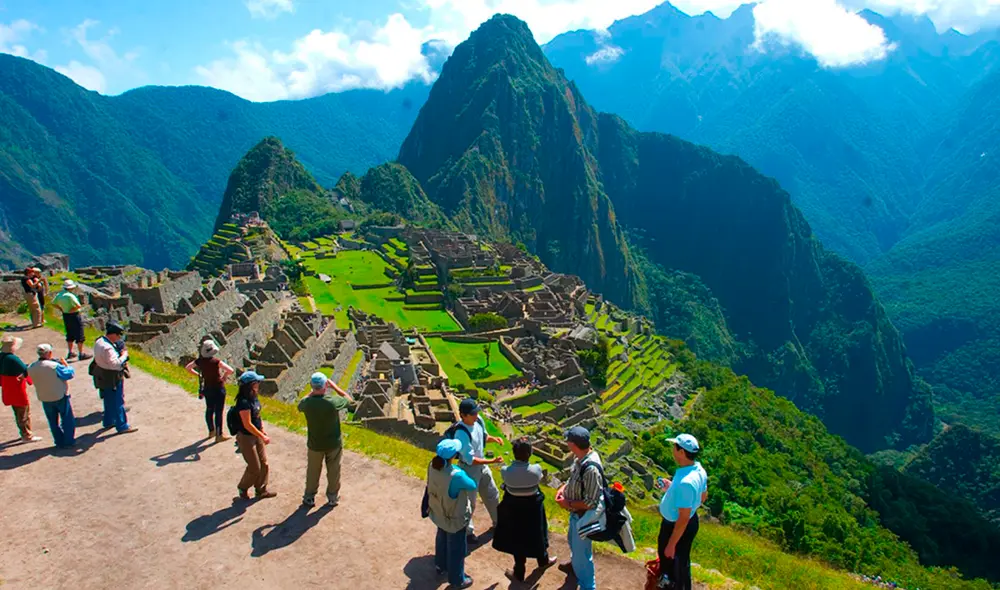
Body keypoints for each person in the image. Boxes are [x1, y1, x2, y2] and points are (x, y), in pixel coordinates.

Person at [493, 437, 558, 582]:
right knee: (538, 534)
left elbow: (507, 485)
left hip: (514, 510)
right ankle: (543, 561)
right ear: (530, 453)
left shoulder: (506, 471)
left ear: (514, 453)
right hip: (533, 509)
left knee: (518, 540)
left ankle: (519, 572)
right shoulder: (536, 470)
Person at [655, 433, 708, 590]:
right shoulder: (698, 470)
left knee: (671, 561)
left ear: (681, 452)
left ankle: (671, 585)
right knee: (682, 560)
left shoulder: (686, 482)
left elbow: (683, 518)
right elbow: (703, 497)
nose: (673, 450)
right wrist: (672, 488)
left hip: (676, 526)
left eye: (675, 447)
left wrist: (671, 544)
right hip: (690, 521)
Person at [427, 438, 478, 589]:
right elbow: (472, 485)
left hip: (438, 511)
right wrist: (461, 471)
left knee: (441, 537)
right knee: (456, 548)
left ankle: (440, 565)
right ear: (453, 456)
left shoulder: (432, 465)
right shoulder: (456, 475)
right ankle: (457, 579)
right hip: (453, 516)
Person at [556, 426, 602, 590]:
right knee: (572, 541)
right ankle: (575, 566)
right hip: (576, 514)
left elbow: (591, 502)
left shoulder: (590, 469)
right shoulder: (580, 459)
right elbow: (574, 480)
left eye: (568, 441)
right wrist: (563, 489)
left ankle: (587, 585)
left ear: (573, 444)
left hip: (583, 516)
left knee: (582, 555)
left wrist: (567, 503)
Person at [297, 372, 353, 508]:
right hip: (333, 443)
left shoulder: (307, 404)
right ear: (325, 386)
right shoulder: (332, 402)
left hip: (315, 444)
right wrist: (334, 387)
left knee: (313, 472)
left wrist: (312, 392)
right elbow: (349, 400)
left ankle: (309, 497)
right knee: (333, 472)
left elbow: (300, 404)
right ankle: (333, 497)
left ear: (312, 386)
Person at [452, 398, 504, 543]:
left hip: (482, 467)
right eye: (473, 414)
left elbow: (483, 437)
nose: (476, 415)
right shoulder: (461, 433)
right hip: (469, 469)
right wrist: (492, 461)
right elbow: (471, 459)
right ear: (463, 415)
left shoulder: (478, 421)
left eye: (476, 412)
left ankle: (498, 523)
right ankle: (468, 532)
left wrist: (494, 439)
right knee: (469, 502)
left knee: (492, 494)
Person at [234, 370, 276, 501]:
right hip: (246, 437)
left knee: (264, 464)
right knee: (254, 467)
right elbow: (247, 424)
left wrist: (262, 429)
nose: (259, 383)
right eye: (257, 382)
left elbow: (257, 416)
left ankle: (261, 489)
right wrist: (262, 436)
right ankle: (243, 487)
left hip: (256, 434)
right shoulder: (243, 402)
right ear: (251, 384)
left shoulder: (254, 397)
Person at [92, 322, 137, 434]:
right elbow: (115, 364)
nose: (119, 338)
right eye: (118, 335)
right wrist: (124, 356)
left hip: (102, 373)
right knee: (118, 401)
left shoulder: (99, 342)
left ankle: (108, 421)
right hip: (112, 375)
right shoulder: (108, 348)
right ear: (113, 334)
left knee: (108, 399)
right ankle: (122, 425)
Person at [28, 343, 76, 448]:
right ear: (49, 353)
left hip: (44, 397)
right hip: (59, 395)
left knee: (53, 422)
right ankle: (69, 440)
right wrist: (66, 365)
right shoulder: (54, 366)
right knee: (67, 419)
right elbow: (69, 374)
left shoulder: (32, 367)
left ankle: (58, 441)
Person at [185, 340, 234, 442]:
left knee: (209, 409)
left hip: (207, 388)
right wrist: (224, 376)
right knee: (219, 412)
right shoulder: (216, 362)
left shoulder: (199, 361)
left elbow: (188, 368)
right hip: (218, 388)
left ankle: (211, 431)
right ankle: (219, 435)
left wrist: (199, 375)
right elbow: (230, 370)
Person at [0, 335, 40, 442]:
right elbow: (26, 370)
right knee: (23, 412)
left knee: (17, 411)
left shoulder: (1, 357)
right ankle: (27, 435)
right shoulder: (13, 358)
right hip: (17, 388)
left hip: (7, 388)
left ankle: (23, 432)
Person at [52, 279, 91, 361]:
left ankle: (70, 352)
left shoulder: (59, 295)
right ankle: (81, 353)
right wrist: (71, 310)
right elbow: (78, 306)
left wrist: (61, 309)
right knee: (79, 334)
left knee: (70, 333)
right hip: (74, 315)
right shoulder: (70, 296)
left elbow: (53, 303)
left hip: (65, 315)